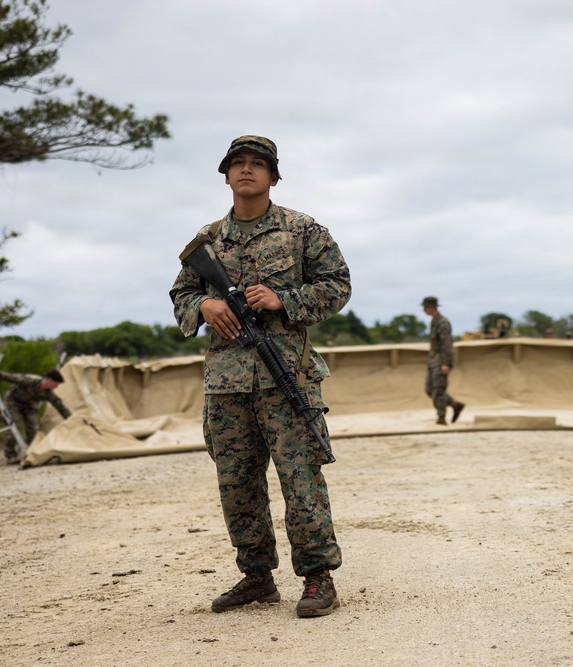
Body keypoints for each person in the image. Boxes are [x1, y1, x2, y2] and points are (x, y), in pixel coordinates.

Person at [169, 135, 350, 618]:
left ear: (273, 176)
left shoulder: (302, 230)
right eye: (238, 163)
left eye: (257, 164)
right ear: (226, 175)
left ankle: (317, 577)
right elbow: (181, 295)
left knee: (301, 481)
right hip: (227, 383)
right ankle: (256, 577)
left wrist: (283, 300)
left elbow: (338, 286)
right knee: (237, 484)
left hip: (287, 375)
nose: (246, 170)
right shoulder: (208, 239)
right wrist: (203, 307)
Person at [0, 368, 72, 464]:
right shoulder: (30, 380)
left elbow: (59, 405)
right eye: (55, 384)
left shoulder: (48, 393)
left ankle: (30, 452)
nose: (56, 387)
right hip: (13, 401)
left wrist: (70, 419)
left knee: (33, 428)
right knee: (13, 423)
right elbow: (11, 377)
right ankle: (10, 455)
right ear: (49, 381)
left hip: (29, 405)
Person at [421, 296, 465, 425]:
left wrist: (445, 363)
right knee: (429, 389)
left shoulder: (442, 323)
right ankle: (455, 405)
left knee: (438, 390)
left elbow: (447, 344)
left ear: (431, 307)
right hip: (434, 361)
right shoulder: (434, 321)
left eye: (425, 307)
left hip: (441, 361)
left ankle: (441, 417)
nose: (424, 310)